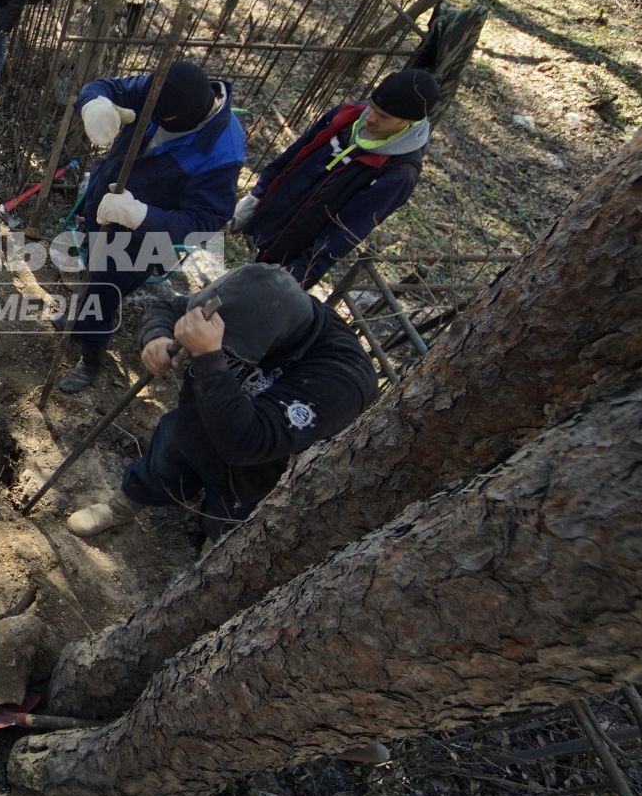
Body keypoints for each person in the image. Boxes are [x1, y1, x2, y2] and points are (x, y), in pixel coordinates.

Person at [65, 263, 377, 542]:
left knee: (229, 521)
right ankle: (125, 503)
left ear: (272, 348)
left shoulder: (342, 381)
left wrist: (210, 359)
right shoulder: (256, 296)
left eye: (230, 351)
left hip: (257, 468)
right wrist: (158, 337)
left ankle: (210, 555)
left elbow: (248, 443)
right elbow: (169, 309)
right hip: (200, 422)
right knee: (171, 451)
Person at [58, 60, 246, 393]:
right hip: (103, 211)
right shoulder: (164, 88)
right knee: (91, 270)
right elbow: (109, 86)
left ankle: (90, 360)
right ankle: (78, 317)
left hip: (143, 242)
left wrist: (139, 215)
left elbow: (204, 221)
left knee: (104, 293)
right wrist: (94, 103)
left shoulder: (221, 150)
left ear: (180, 117)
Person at [236, 69, 440, 288]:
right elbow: (294, 154)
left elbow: (345, 232)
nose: (370, 118)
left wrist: (296, 275)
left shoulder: (399, 173)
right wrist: (257, 195)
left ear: (408, 121)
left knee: (232, 303)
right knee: (211, 260)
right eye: (372, 107)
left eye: (383, 117)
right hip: (266, 216)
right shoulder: (346, 116)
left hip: (288, 255)